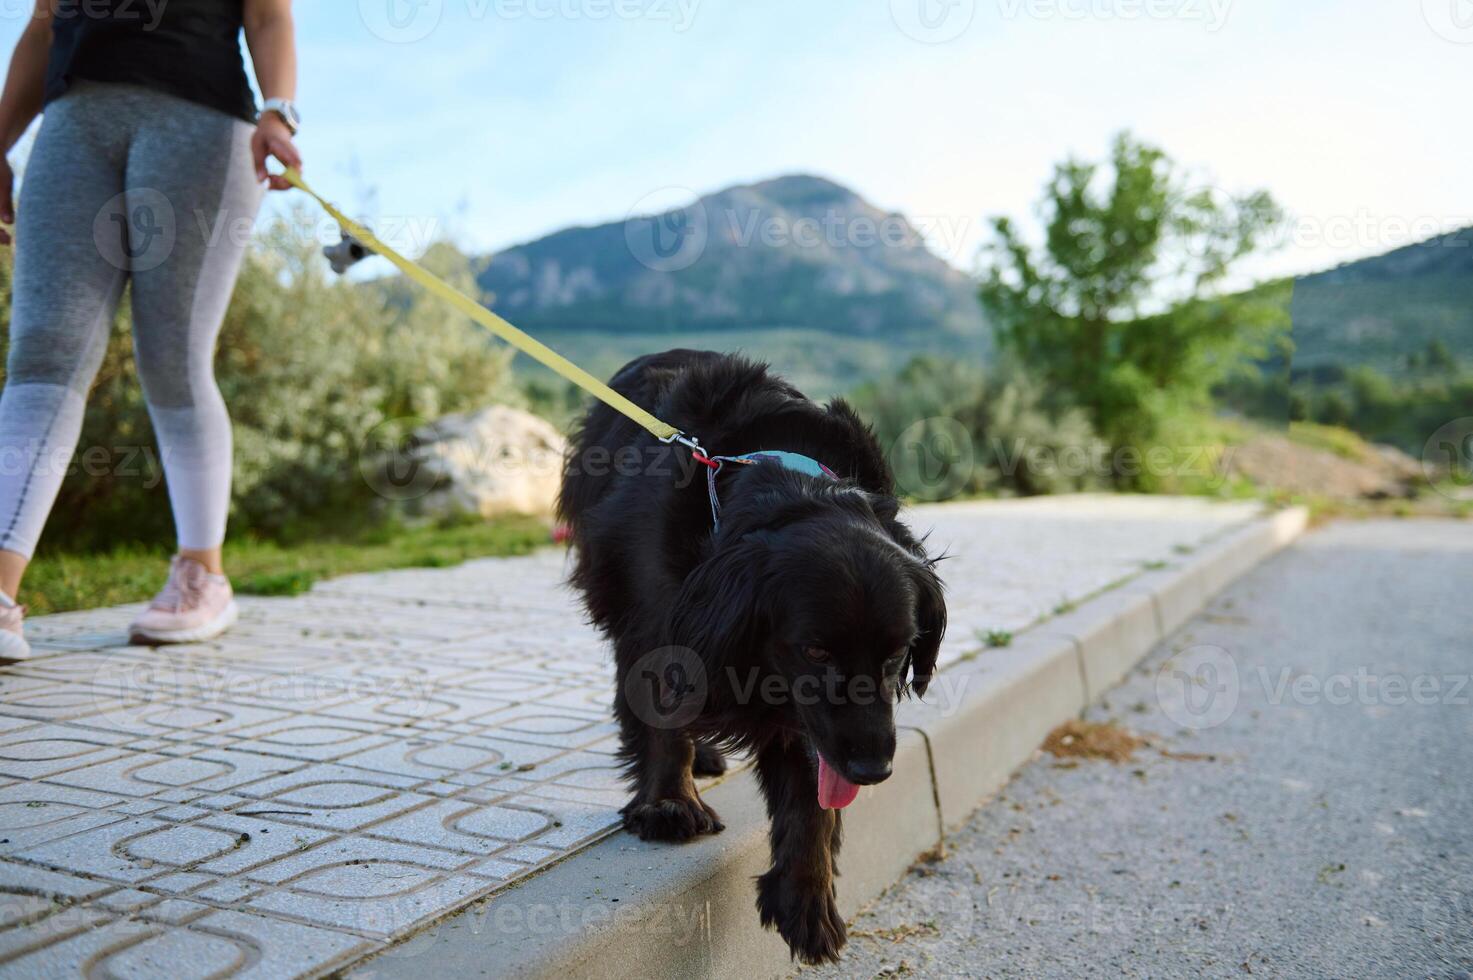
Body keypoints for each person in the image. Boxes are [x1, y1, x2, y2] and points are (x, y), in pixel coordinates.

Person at [0, 0, 303, 658]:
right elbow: (42, 22)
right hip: (73, 121)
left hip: (200, 118)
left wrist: (279, 107)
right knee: (42, 355)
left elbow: (269, 13)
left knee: (173, 356)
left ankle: (203, 575)